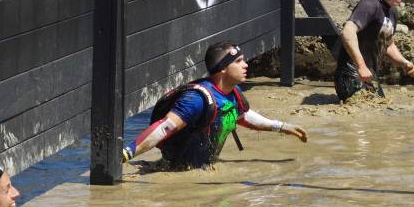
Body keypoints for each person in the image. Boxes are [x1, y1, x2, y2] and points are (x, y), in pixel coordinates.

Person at [122, 42, 308, 170]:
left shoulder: (232, 93)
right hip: (176, 174)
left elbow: (242, 115)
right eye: (238, 61)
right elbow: (165, 127)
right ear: (223, 69)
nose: (245, 65)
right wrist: (126, 154)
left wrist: (282, 127)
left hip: (201, 171)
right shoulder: (197, 98)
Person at [335, 0, 414, 101]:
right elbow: (347, 31)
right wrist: (361, 66)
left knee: (382, 110)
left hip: (370, 76)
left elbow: (388, 44)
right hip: (351, 74)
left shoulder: (392, 12)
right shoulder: (370, 4)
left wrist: (404, 63)